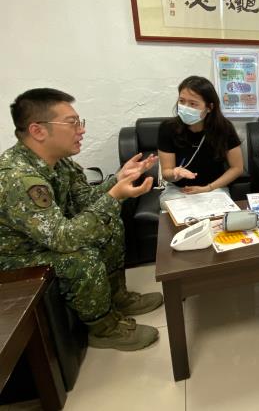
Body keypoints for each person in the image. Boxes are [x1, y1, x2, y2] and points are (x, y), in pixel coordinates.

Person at [0, 88, 163, 351]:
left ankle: (117, 297)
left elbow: (86, 200)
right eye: (72, 123)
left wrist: (118, 180)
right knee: (81, 256)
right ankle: (103, 329)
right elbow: (63, 239)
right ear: (38, 131)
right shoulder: (17, 177)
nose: (81, 130)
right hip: (17, 259)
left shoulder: (61, 163)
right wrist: (114, 196)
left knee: (109, 225)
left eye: (80, 122)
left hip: (47, 239)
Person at [157, 76, 244, 208]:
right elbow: (166, 173)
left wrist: (208, 188)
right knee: (183, 218)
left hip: (214, 189)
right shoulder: (168, 128)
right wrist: (176, 173)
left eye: (193, 104)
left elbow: (237, 168)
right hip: (178, 191)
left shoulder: (224, 128)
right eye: (182, 101)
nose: (185, 107)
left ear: (209, 107)